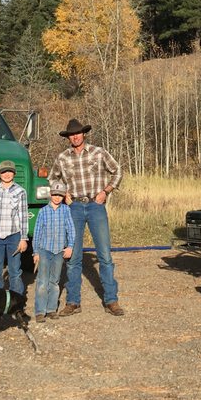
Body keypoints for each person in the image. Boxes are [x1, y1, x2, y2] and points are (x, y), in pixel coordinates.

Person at [48, 117, 124, 316]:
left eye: (78, 133)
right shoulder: (63, 158)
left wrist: (106, 191)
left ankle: (111, 300)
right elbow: (52, 178)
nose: (75, 136)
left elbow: (117, 170)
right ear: (68, 137)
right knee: (73, 257)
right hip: (74, 208)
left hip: (95, 206)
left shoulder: (98, 153)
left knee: (105, 255)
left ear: (84, 134)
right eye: (71, 134)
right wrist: (64, 194)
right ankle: (73, 302)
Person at [0, 160, 29, 295]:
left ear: (14, 173)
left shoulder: (21, 191)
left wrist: (23, 238)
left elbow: (23, 217)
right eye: (4, 172)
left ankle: (17, 302)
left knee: (15, 271)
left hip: (14, 236)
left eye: (9, 171)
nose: (7, 174)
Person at [31, 183, 76, 321]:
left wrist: (70, 246)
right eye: (55, 194)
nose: (57, 197)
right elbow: (37, 232)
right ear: (50, 195)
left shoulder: (66, 210)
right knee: (42, 281)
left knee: (55, 281)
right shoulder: (43, 211)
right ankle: (40, 311)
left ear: (64, 197)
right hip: (45, 250)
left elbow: (71, 229)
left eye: (60, 195)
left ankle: (51, 309)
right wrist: (36, 252)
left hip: (59, 251)